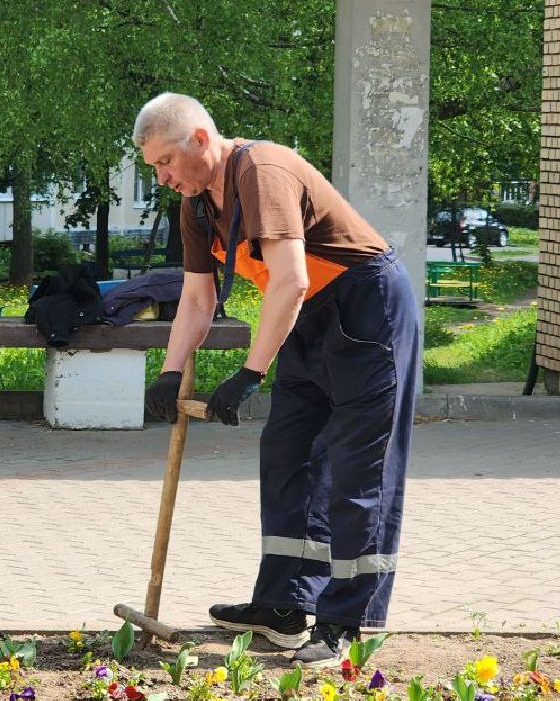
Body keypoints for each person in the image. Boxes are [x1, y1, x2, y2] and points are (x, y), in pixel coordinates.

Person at [135, 93, 419, 667]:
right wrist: (169, 370)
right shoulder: (195, 205)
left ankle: (346, 620)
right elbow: (197, 295)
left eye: (165, 162)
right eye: (153, 169)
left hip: (366, 309)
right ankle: (286, 603)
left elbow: (288, 280)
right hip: (306, 315)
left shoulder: (262, 171)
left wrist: (248, 373)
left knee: (357, 471)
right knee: (287, 453)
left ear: (199, 139)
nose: (162, 178)